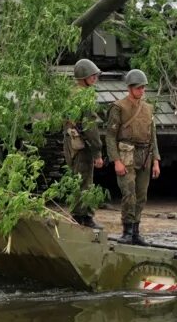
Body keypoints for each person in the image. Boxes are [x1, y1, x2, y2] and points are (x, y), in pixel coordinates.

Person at [105, 69, 160, 245]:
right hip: (126, 154)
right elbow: (110, 136)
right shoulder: (119, 107)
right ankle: (127, 230)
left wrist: (156, 161)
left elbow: (153, 136)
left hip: (145, 155)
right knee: (129, 193)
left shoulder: (148, 108)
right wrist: (116, 161)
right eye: (139, 88)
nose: (142, 91)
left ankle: (136, 231)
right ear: (130, 88)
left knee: (141, 194)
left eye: (143, 88)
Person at [64, 59, 105, 228]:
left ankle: (77, 215)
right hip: (83, 145)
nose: (95, 78)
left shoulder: (71, 93)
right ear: (84, 77)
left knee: (77, 178)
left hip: (71, 143)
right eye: (92, 75)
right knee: (86, 180)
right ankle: (85, 217)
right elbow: (90, 128)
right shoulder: (84, 96)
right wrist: (98, 152)